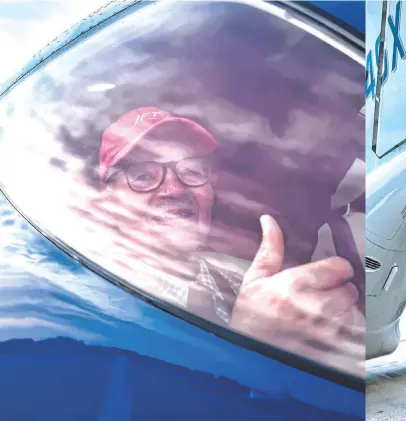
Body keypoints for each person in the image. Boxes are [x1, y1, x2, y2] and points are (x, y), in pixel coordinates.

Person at [96, 106, 362, 361]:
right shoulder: (92, 305)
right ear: (108, 202)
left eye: (191, 170)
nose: (174, 189)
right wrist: (257, 345)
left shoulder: (255, 280)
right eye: (142, 176)